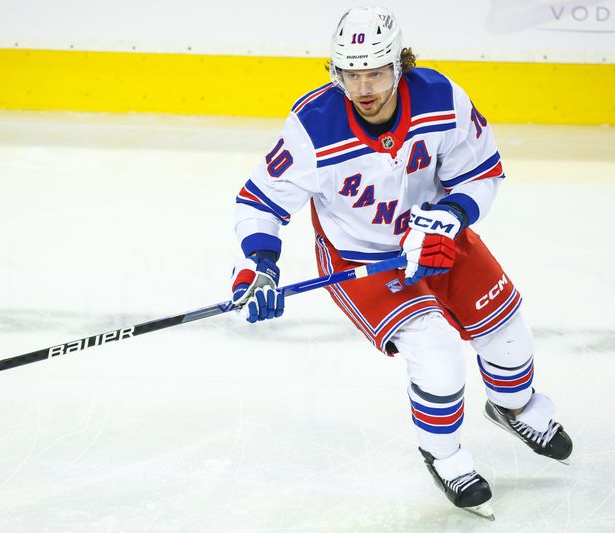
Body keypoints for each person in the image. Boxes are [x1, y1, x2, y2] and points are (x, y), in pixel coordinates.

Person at [229, 6, 572, 519]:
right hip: (361, 257)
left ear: (398, 65)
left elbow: (482, 174)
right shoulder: (313, 125)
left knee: (507, 333)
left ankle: (514, 406)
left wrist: (450, 217)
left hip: (439, 237)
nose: (363, 87)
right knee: (437, 355)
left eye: (375, 72)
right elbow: (261, 201)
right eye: (351, 74)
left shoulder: (441, 98)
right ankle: (445, 454)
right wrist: (260, 263)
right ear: (335, 72)